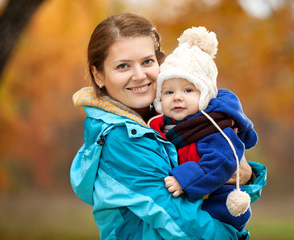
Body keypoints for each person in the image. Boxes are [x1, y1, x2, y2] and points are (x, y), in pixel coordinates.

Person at [70, 12, 267, 240]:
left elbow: (226, 172)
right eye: (123, 66)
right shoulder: (119, 138)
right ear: (99, 75)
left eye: (147, 61)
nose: (139, 75)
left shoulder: (170, 118)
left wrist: (246, 175)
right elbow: (179, 221)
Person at [148, 27, 263, 231]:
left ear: (204, 95)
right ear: (159, 98)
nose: (177, 97)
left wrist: (184, 179)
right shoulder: (158, 125)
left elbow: (222, 161)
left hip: (218, 204)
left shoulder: (213, 126)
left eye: (188, 90)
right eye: (168, 91)